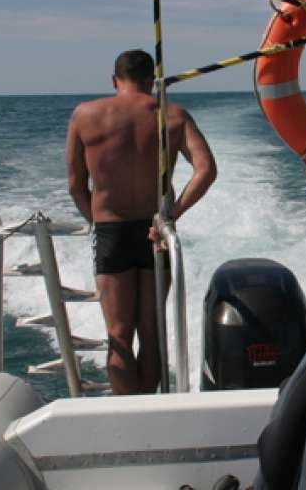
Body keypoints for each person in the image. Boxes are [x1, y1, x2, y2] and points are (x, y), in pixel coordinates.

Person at [66, 49, 217, 394]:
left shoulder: (84, 115)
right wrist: (171, 215)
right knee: (151, 332)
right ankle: (151, 409)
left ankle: (125, 411)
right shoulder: (173, 116)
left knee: (119, 335)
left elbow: (76, 185)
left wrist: (96, 222)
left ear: (114, 79)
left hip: (110, 231)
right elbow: (206, 169)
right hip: (156, 231)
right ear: (153, 81)